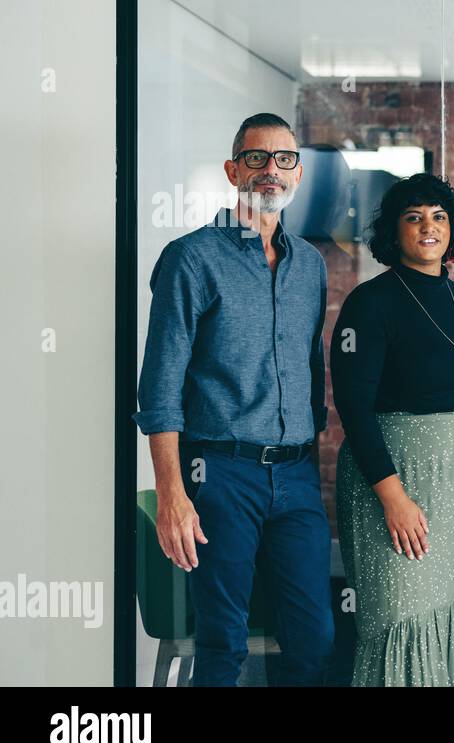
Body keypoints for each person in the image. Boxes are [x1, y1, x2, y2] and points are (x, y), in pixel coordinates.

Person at [134, 113, 334, 686]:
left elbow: (309, 374)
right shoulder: (191, 258)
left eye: (284, 159)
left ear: (297, 173)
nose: (271, 170)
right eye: (256, 158)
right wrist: (172, 492)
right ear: (233, 170)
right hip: (218, 473)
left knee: (314, 639)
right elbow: (160, 386)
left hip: (296, 479)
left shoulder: (311, 267)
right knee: (222, 644)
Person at [330, 173, 454, 686]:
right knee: (400, 612)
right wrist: (393, 498)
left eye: (439, 216)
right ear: (394, 232)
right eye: (414, 217)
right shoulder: (369, 302)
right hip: (398, 481)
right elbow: (354, 407)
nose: (429, 227)